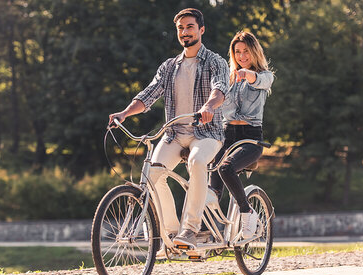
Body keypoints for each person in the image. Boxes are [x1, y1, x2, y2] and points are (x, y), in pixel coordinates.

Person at [109, 8, 229, 249]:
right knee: (152, 175)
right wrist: (124, 113)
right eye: (180, 28)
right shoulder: (169, 67)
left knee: (197, 162)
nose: (185, 32)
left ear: (201, 30)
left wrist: (209, 106)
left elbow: (220, 89)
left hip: (206, 133)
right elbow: (148, 95)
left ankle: (190, 229)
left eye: (190, 27)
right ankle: (172, 233)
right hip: (174, 134)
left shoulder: (215, 61)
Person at [209, 31, 274, 238]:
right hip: (226, 135)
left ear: (254, 52)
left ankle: (247, 212)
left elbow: (258, 80)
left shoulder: (265, 76)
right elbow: (214, 100)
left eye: (246, 51)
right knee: (211, 186)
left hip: (251, 138)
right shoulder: (226, 78)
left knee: (226, 168)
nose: (242, 56)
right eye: (237, 52)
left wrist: (247, 74)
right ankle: (204, 230)